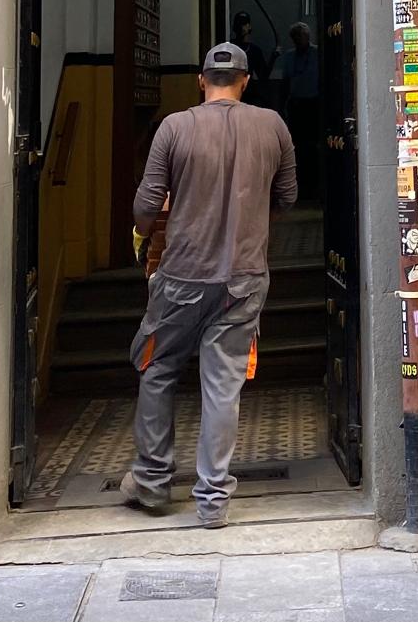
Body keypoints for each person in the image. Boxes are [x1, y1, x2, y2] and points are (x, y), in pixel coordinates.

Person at [123, 42, 297, 527]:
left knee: (156, 369)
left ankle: (153, 484)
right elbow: (287, 196)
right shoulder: (273, 126)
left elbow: (146, 202)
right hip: (243, 279)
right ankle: (213, 501)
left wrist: (142, 236)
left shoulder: (174, 127)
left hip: (181, 276)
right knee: (223, 387)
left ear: (201, 80)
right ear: (245, 81)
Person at [276, 22, 322, 201]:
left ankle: (314, 185)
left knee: (314, 145)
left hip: (314, 103)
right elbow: (285, 83)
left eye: (302, 36)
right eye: (296, 37)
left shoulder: (317, 54)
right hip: (297, 105)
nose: (299, 39)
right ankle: (300, 185)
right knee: (297, 146)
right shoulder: (289, 57)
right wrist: (282, 107)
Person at [231, 11, 274, 107]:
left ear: (249, 26)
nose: (242, 27)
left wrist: (273, 57)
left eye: (245, 24)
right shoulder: (228, 47)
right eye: (239, 24)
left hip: (248, 94)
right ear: (235, 27)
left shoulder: (255, 50)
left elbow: (263, 75)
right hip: (231, 93)